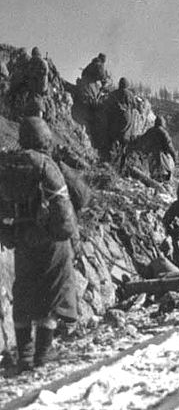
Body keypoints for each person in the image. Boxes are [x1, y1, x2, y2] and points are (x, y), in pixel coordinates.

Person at [2, 118, 78, 373]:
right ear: (45, 139)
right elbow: (64, 213)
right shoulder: (46, 165)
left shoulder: (8, 165)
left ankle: (24, 355)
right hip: (49, 241)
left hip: (22, 240)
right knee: (53, 291)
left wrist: (10, 234)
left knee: (23, 290)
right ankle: (43, 354)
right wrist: (59, 232)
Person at [104, 77, 135, 163]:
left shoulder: (114, 93)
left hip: (117, 118)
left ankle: (110, 161)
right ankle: (121, 164)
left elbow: (107, 103)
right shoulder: (130, 94)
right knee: (124, 142)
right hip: (127, 118)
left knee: (112, 138)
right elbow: (135, 105)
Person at [138, 116, 177, 182]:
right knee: (163, 175)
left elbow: (141, 141)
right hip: (161, 158)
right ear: (163, 123)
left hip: (150, 157)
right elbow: (169, 146)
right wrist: (174, 157)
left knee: (153, 175)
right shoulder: (163, 132)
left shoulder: (150, 131)